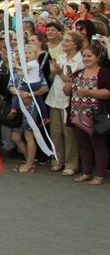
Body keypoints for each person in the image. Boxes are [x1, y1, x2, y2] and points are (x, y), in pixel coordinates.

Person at [64, 44, 110, 186]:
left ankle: (100, 175)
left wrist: (90, 92)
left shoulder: (104, 72)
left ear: (97, 57)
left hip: (95, 116)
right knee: (83, 145)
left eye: (89, 56)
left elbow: (107, 93)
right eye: (84, 56)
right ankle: (86, 172)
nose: (86, 58)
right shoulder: (78, 72)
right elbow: (67, 92)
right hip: (78, 114)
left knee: (98, 145)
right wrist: (68, 81)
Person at [46, 31, 84, 175]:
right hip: (54, 98)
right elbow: (52, 78)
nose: (64, 43)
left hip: (69, 100)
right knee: (55, 132)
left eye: (67, 40)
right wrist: (53, 72)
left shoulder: (80, 60)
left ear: (75, 44)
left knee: (69, 134)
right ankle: (57, 160)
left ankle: (71, 164)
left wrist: (60, 73)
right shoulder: (60, 57)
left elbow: (74, 81)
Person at [8, 44, 49, 174]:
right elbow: (10, 86)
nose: (24, 56)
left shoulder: (35, 68)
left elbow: (44, 87)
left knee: (28, 134)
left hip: (31, 105)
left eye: (27, 53)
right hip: (18, 103)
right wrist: (18, 92)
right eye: (22, 53)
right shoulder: (15, 69)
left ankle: (30, 163)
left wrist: (29, 94)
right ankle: (29, 159)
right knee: (15, 136)